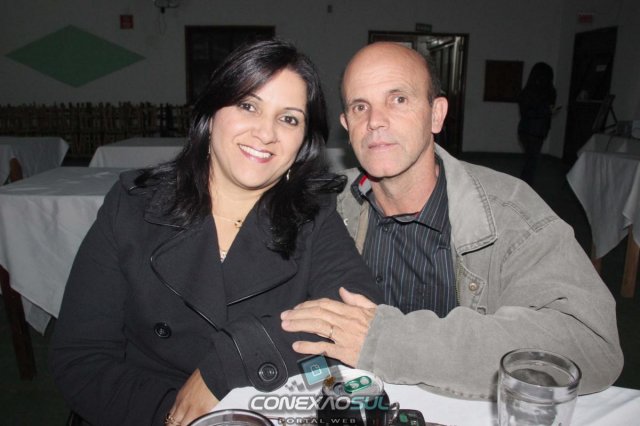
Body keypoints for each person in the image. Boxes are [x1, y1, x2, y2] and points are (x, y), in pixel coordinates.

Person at [50, 39, 381, 426]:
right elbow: (81, 358)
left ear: (303, 142)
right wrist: (177, 415)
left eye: (289, 119)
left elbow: (357, 314)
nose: (266, 133)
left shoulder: (313, 215)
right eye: (248, 106)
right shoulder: (133, 207)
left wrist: (236, 357)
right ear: (211, 113)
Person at [281, 42, 623, 400]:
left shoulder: (510, 213)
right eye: (360, 106)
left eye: (398, 99)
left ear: (436, 115)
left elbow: (592, 346)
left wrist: (387, 341)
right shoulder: (324, 207)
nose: (375, 120)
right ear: (347, 125)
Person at [517, 62, 557, 185]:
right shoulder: (532, 92)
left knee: (531, 161)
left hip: (533, 130)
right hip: (532, 131)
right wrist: (547, 110)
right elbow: (528, 112)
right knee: (531, 162)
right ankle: (525, 185)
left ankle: (524, 185)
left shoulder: (536, 91)